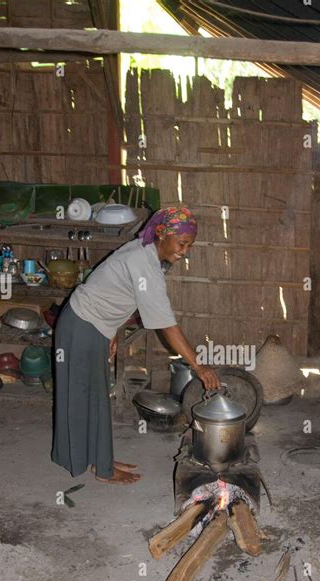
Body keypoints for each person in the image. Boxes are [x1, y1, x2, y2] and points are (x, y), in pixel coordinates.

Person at [52, 205, 220, 485]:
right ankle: (100, 469)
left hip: (92, 327)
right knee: (82, 397)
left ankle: (100, 458)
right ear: (163, 235)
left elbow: (113, 291)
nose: (184, 251)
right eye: (182, 243)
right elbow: (168, 325)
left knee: (96, 396)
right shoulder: (144, 263)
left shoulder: (145, 255)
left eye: (189, 245)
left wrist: (111, 333)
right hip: (80, 327)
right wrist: (198, 366)